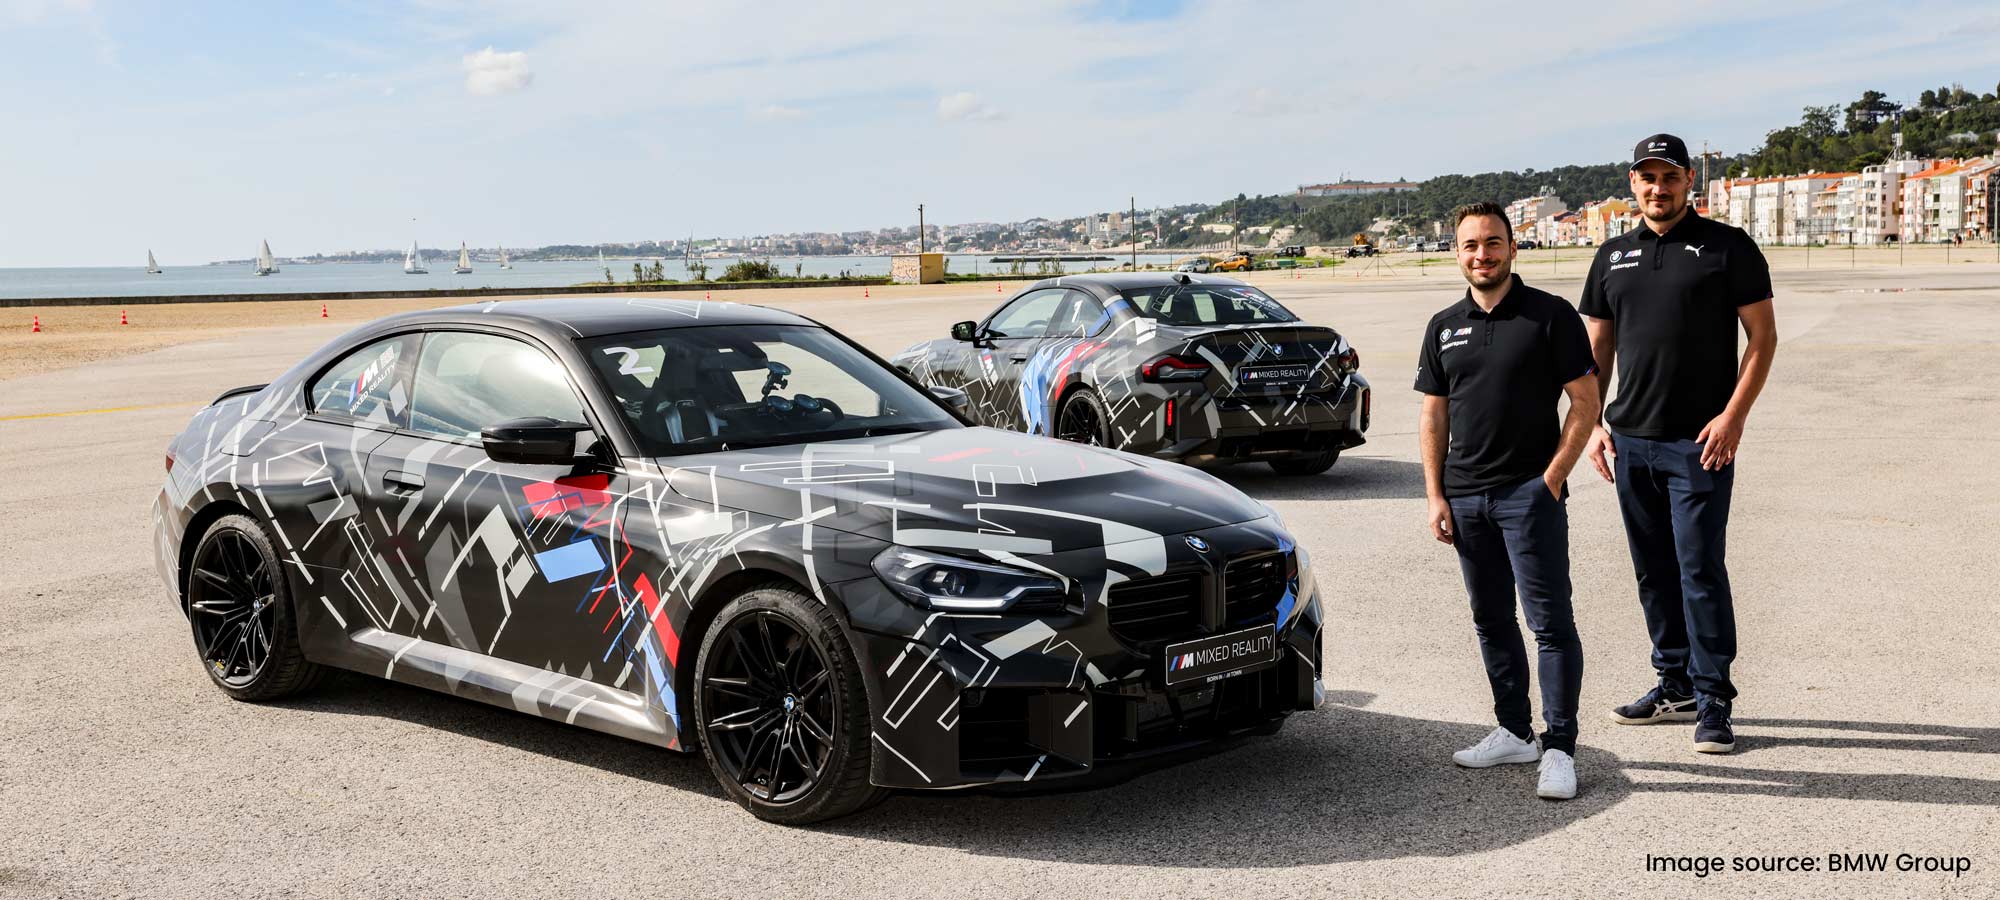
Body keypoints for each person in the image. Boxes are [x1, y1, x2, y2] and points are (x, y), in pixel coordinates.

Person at [1579, 134, 1779, 754]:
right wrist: (1591, 425)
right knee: (1653, 570)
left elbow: (1763, 339)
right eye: (1647, 178)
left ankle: (1714, 696)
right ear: (1632, 183)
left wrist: (1733, 417)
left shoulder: (1728, 248)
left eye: (1669, 178)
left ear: (1689, 181)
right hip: (1631, 442)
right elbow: (1598, 350)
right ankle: (1674, 683)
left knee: (1698, 569)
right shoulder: (1612, 256)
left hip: (1699, 444)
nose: (1657, 189)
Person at [1417, 202, 1601, 800]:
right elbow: (1434, 414)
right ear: (1457, 253)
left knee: (1549, 624)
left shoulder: (1550, 316)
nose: (1482, 254)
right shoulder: (1444, 324)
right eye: (1470, 245)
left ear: (1513, 247)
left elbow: (1586, 401)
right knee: (1491, 619)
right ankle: (1515, 730)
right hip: (1466, 497)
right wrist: (1436, 494)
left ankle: (1560, 748)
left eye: (1493, 243)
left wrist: (1552, 478)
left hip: (1529, 496)